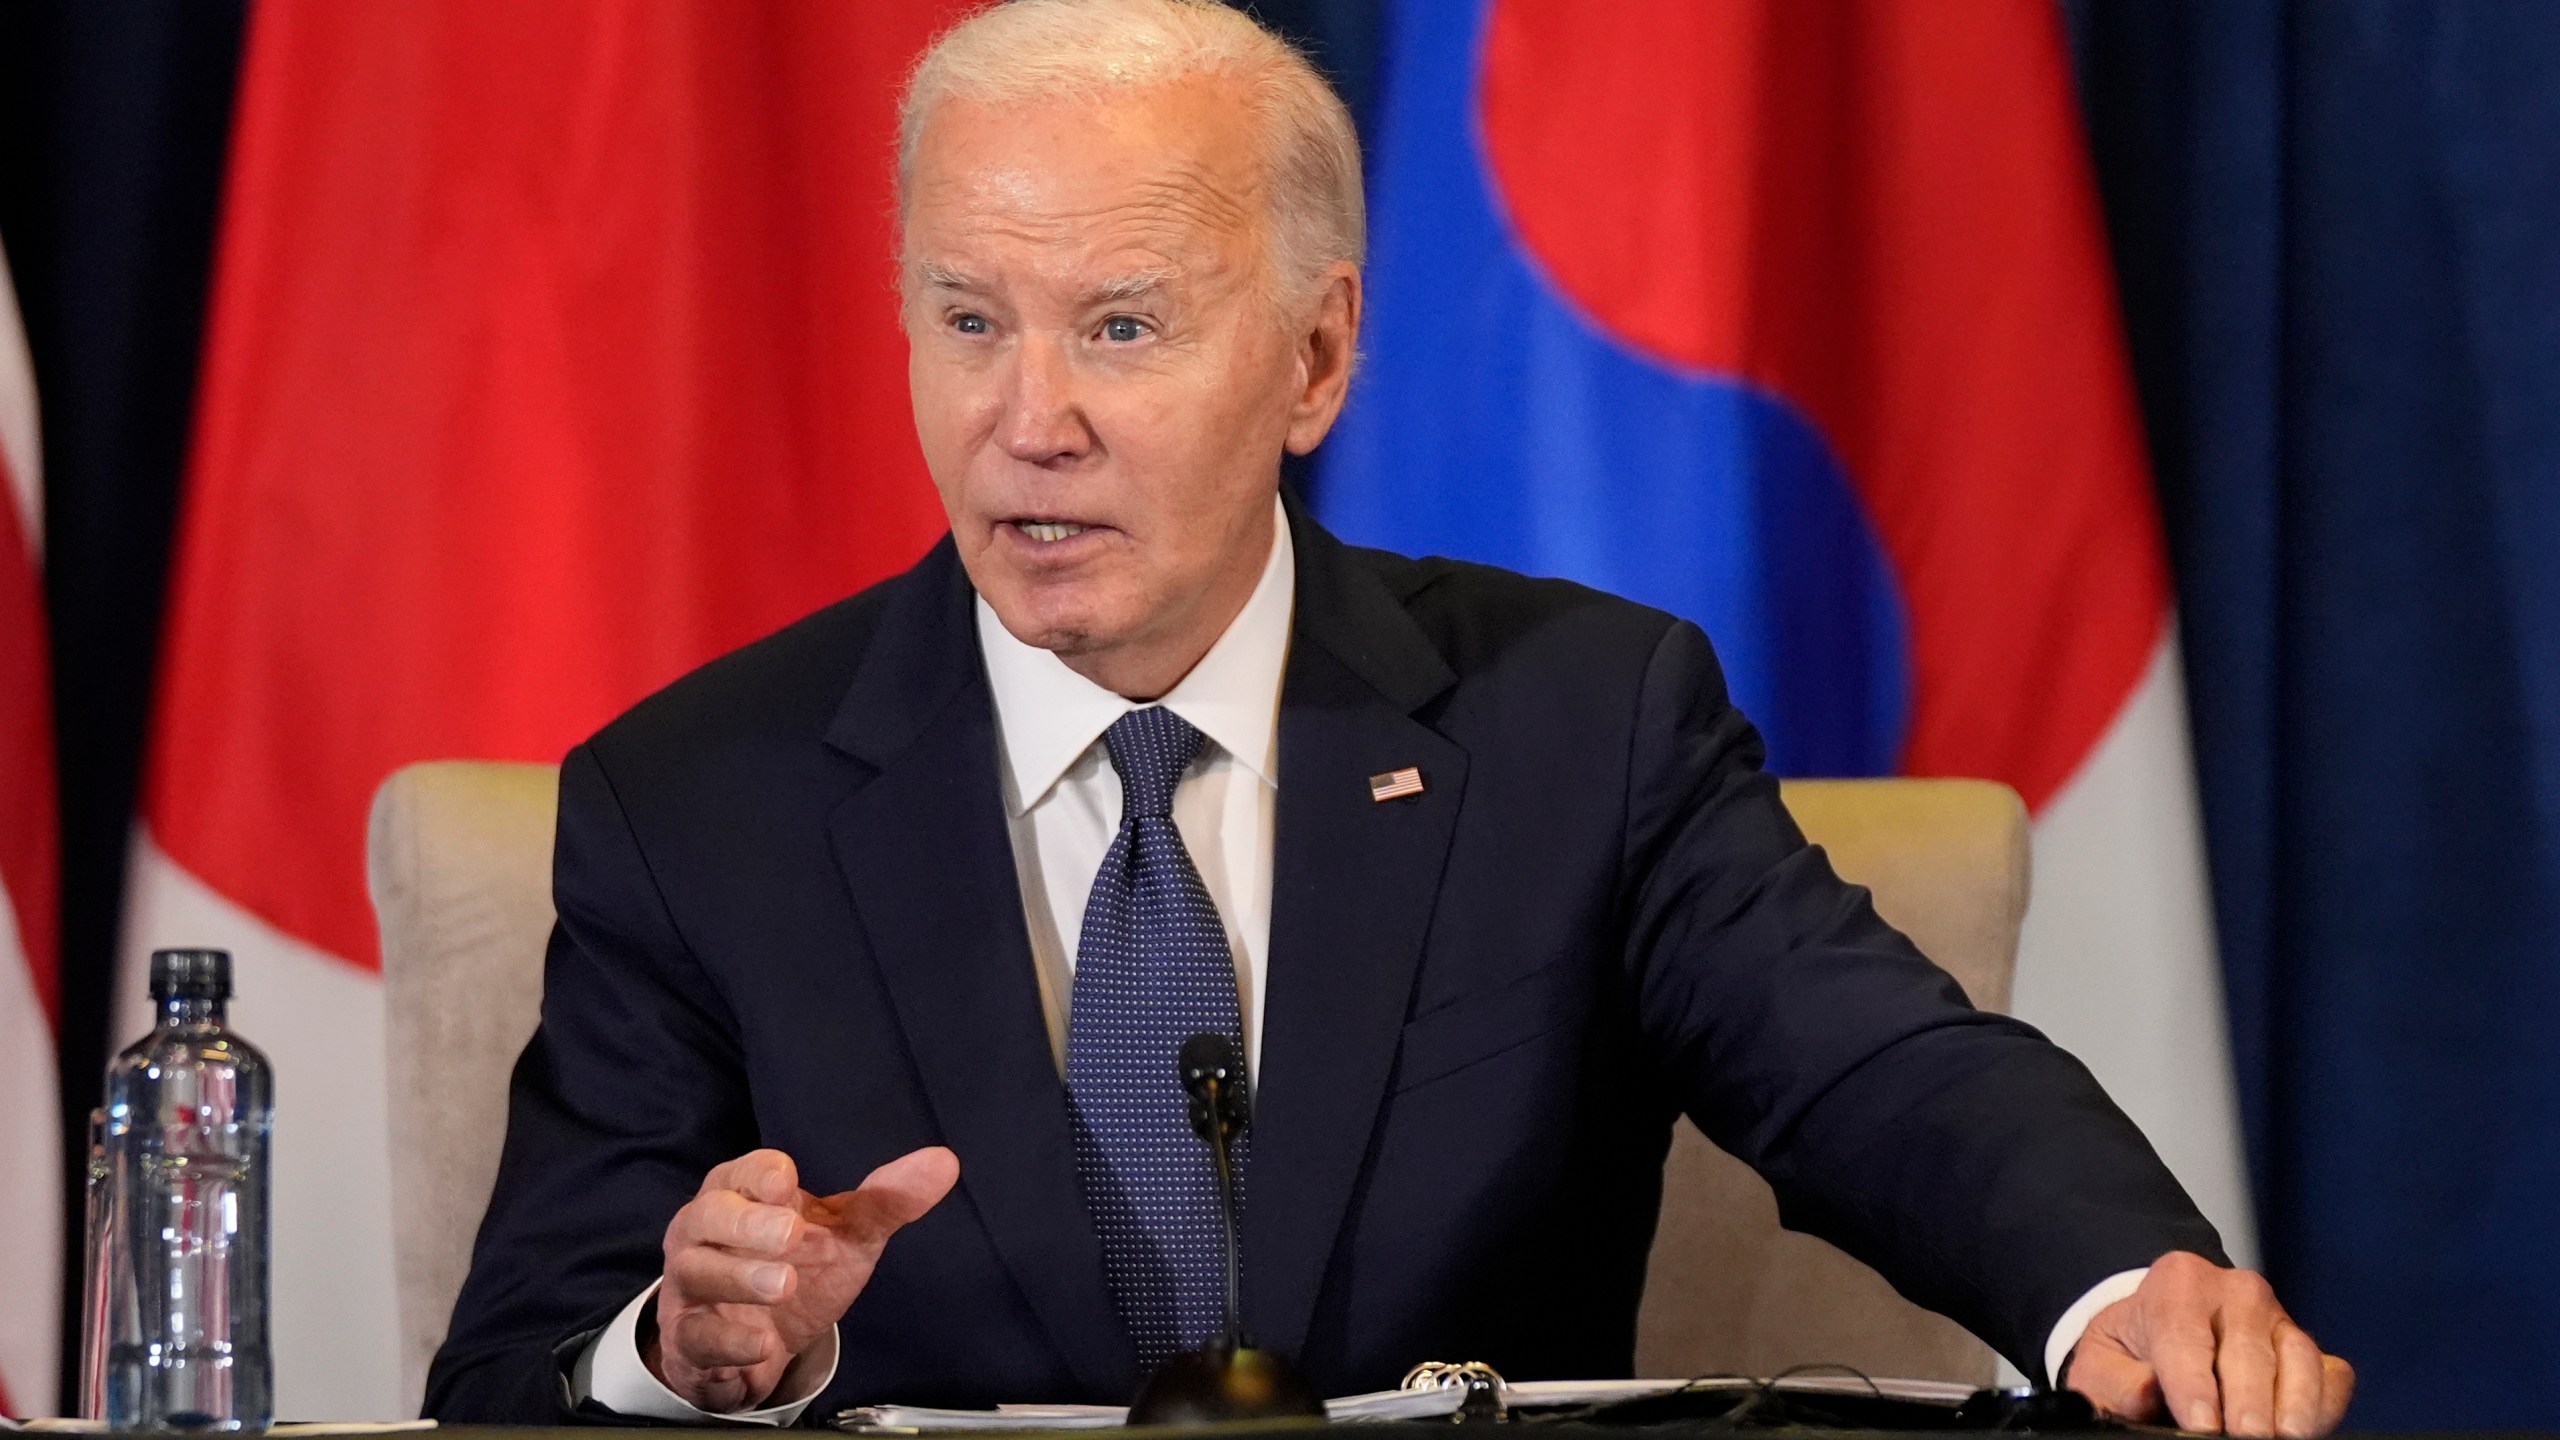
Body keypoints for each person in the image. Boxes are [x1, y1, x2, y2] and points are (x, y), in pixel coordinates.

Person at [425, 1, 2354, 1433]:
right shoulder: (703, 804)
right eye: (964, 318)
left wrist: (2122, 1283)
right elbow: (510, 1374)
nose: (1029, 418)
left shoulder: (1581, 722)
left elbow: (1878, 1074)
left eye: (1120, 323)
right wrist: (689, 1356)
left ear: (1318, 353)